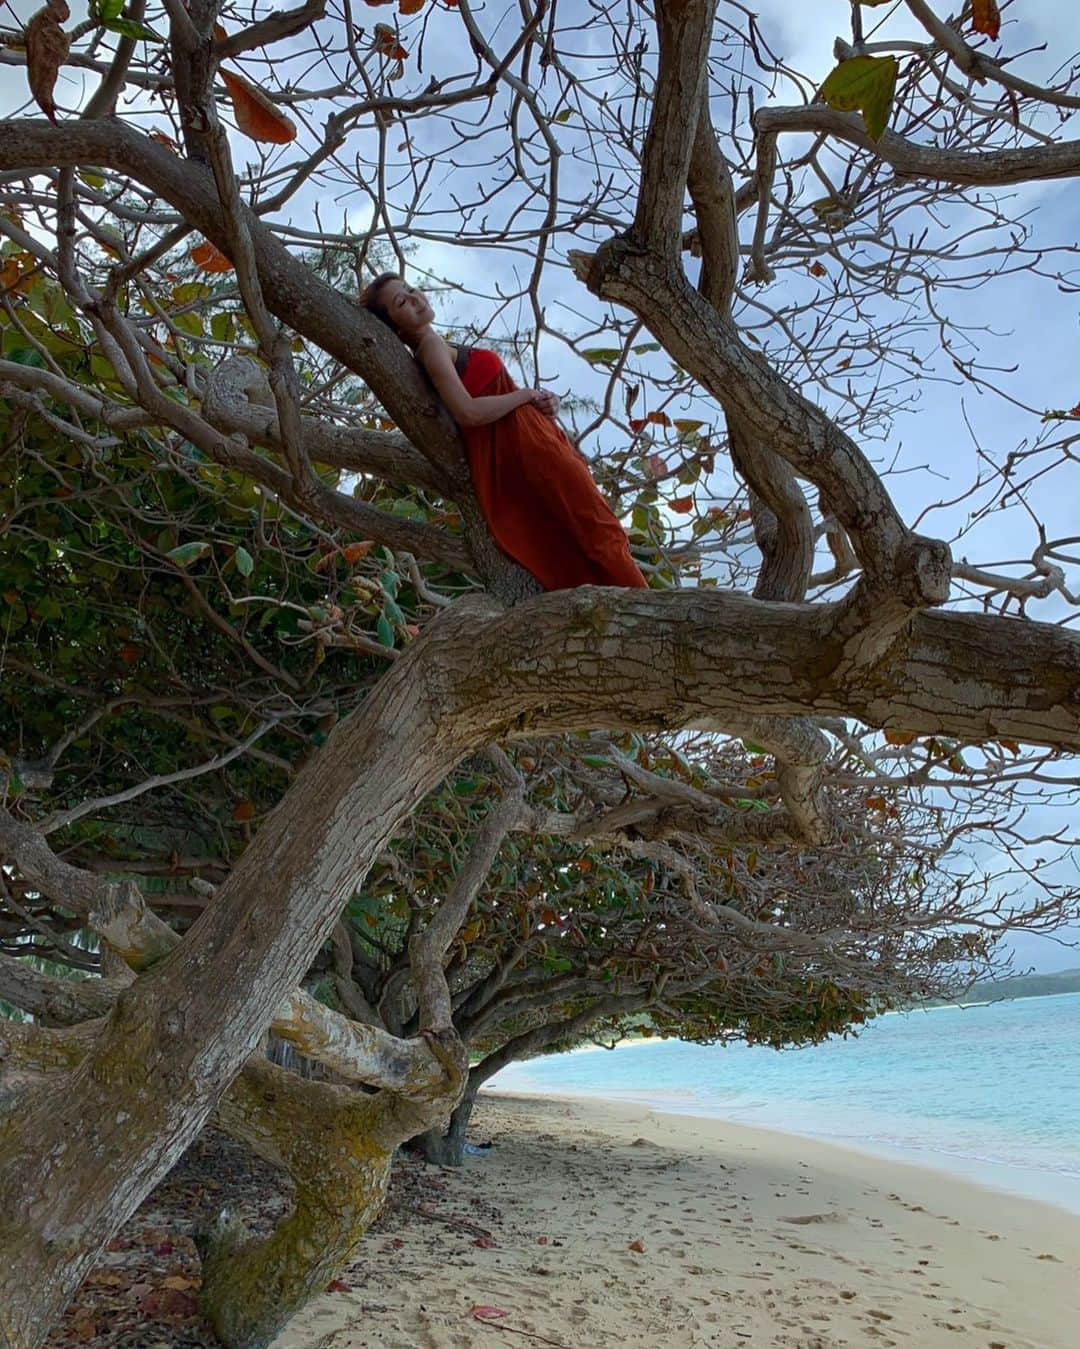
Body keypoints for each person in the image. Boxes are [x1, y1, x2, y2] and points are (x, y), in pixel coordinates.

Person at [357, 273, 648, 592]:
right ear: (395, 326)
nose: (414, 298)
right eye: (401, 301)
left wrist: (541, 401)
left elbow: (492, 396)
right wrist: (524, 395)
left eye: (411, 289)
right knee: (601, 534)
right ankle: (653, 618)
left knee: (593, 537)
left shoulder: (437, 344)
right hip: (532, 452)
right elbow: (467, 411)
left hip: (538, 442)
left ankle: (640, 612)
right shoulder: (430, 348)